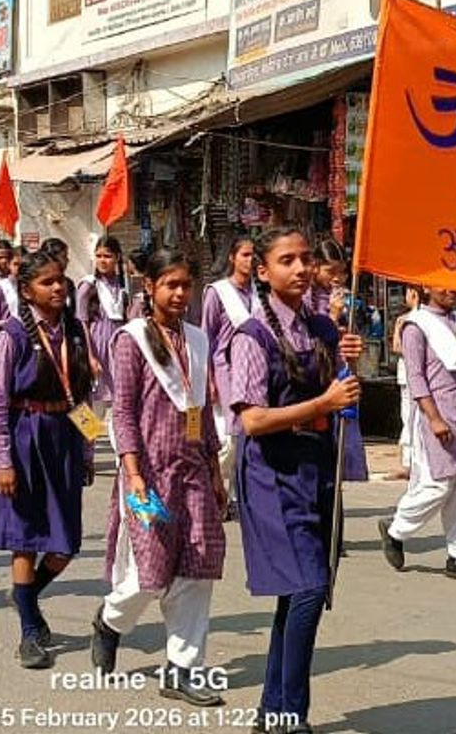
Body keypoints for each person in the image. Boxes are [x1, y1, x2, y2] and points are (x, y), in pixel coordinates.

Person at [228, 228, 361, 733]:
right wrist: (323, 403)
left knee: (296, 591)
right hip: (271, 470)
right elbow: (254, 420)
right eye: (287, 260)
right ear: (263, 270)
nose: (301, 269)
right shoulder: (251, 335)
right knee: (309, 588)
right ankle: (291, 714)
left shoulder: (321, 329)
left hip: (315, 465)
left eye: (306, 259)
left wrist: (346, 369)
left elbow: (345, 396)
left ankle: (270, 709)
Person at [90, 250, 227, 708]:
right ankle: (110, 621)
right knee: (150, 575)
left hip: (193, 471)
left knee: (198, 567)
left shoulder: (198, 339)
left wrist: (215, 469)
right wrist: (131, 473)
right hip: (148, 473)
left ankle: (182, 668)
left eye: (186, 285)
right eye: (169, 284)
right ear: (149, 286)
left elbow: (202, 410)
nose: (179, 294)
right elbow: (123, 411)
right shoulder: (132, 341)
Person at [0, 249, 94, 668]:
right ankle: (30, 630)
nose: (58, 287)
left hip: (63, 436)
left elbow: (83, 394)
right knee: (26, 538)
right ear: (26, 290)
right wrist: (4, 462)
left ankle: (25, 595)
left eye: (60, 279)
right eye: (47, 282)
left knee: (65, 544)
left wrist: (85, 449)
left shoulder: (76, 331)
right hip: (25, 438)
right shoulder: (10, 337)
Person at [378, 286, 456, 585]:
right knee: (437, 485)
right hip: (439, 416)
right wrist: (434, 417)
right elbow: (417, 378)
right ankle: (396, 529)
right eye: (443, 285)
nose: (450, 291)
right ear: (426, 287)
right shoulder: (417, 325)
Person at [201, 235, 255, 519]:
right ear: (233, 258)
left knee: (246, 437)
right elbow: (206, 336)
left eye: (253, 255)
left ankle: (235, 496)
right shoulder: (217, 292)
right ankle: (210, 485)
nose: (250, 260)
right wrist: (208, 377)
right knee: (230, 438)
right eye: (245, 254)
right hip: (226, 369)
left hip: (252, 370)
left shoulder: (259, 293)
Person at [310, 238, 368, 482]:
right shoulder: (308, 301)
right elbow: (313, 342)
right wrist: (332, 315)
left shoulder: (346, 299)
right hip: (319, 379)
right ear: (315, 268)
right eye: (330, 271)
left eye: (341, 271)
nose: (337, 277)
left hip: (342, 372)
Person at [77, 236, 128, 420]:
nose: (102, 261)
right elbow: (81, 321)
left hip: (117, 349)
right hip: (96, 348)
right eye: (98, 256)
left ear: (117, 257)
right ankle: (84, 445)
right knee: (90, 405)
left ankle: (121, 445)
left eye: (107, 256)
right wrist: (90, 356)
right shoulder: (88, 286)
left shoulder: (123, 286)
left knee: (120, 402)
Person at [390, 286, 422, 481]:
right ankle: (410, 461)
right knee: (410, 417)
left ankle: (410, 462)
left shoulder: (407, 320)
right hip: (409, 374)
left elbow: (397, 347)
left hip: (411, 375)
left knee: (410, 417)